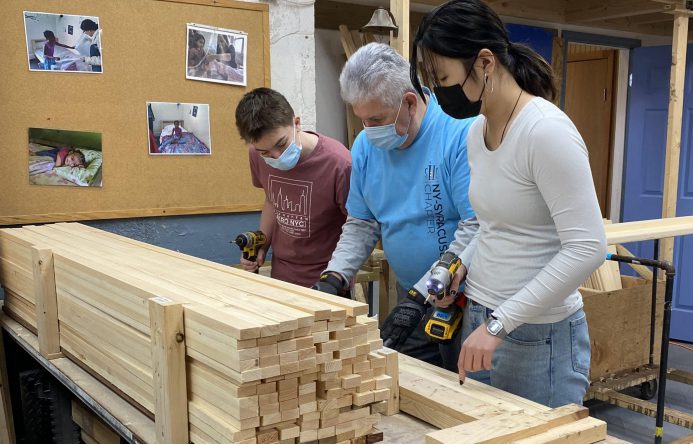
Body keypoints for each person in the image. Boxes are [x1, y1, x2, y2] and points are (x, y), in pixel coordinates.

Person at [410, 0, 607, 407]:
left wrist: (500, 324)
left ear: (485, 62)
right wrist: (456, 268)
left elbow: (587, 248)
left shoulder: (545, 132)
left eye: (444, 78)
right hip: (482, 319)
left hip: (539, 337)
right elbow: (490, 227)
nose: (441, 94)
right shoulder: (476, 133)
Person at [312, 43, 478, 370]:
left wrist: (422, 295)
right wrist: (335, 276)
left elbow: (476, 228)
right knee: (413, 388)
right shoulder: (364, 147)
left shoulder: (459, 134)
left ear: (409, 102)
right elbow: (361, 223)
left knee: (468, 393)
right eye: (362, 120)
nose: (368, 131)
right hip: (412, 295)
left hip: (465, 297)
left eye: (376, 119)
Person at [234, 88, 352, 287]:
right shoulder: (257, 155)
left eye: (281, 144)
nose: (277, 157)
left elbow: (357, 227)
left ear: (296, 123)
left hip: (326, 278)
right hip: (282, 273)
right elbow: (272, 200)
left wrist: (336, 279)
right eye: (265, 152)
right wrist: (262, 244)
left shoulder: (340, 164)